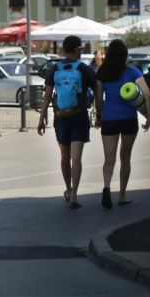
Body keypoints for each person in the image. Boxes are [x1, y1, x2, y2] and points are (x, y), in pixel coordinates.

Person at [37, 35, 97, 209]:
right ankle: (75, 196)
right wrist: (99, 110)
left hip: (61, 118)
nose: (81, 51)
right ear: (76, 50)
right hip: (79, 117)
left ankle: (68, 189)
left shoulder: (54, 69)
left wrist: (41, 119)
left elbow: (47, 96)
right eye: (80, 49)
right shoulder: (84, 69)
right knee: (76, 158)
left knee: (65, 155)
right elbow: (97, 86)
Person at [94, 39, 150, 208]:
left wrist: (99, 116)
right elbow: (147, 95)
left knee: (109, 159)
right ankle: (122, 195)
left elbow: (98, 99)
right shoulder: (133, 72)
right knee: (125, 158)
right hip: (129, 119)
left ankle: (106, 187)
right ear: (125, 55)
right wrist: (148, 117)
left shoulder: (101, 72)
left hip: (109, 119)